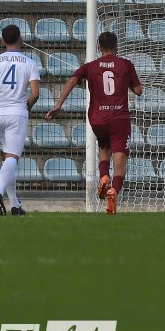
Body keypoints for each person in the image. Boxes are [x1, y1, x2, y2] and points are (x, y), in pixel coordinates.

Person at [45, 31, 143, 214]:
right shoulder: (125, 64)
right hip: (119, 119)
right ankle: (113, 190)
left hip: (98, 120)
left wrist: (58, 104)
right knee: (120, 161)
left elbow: (73, 79)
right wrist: (126, 82)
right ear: (116, 46)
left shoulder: (90, 66)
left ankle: (104, 176)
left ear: (98, 48)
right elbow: (138, 91)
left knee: (103, 146)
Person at [0, 24, 41, 216]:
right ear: (20, 39)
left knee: (6, 158)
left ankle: (15, 205)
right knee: (13, 157)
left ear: (2, 41)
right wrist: (26, 107)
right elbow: (35, 93)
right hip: (16, 113)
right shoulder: (29, 63)